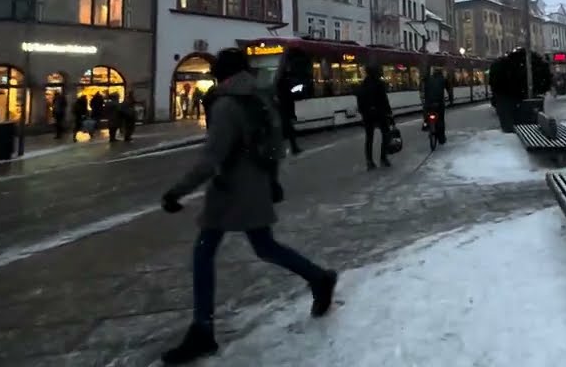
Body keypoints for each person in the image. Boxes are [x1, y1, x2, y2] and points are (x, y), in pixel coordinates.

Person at [160, 48, 337, 364]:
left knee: (204, 253)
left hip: (229, 191)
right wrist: (271, 180)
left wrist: (176, 192)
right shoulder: (262, 98)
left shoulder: (227, 104)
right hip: (255, 187)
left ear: (222, 74)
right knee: (265, 246)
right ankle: (318, 277)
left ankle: (203, 330)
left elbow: (210, 159)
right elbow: (275, 144)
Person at [355, 64, 393, 169]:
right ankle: (383, 158)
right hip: (380, 114)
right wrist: (389, 112)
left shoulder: (362, 84)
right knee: (385, 134)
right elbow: (384, 100)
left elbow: (359, 101)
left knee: (369, 138)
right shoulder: (379, 84)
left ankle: (369, 161)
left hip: (367, 115)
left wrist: (363, 112)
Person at [421, 66, 449, 145]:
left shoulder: (428, 79)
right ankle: (441, 139)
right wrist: (450, 100)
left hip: (428, 103)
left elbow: (423, 88)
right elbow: (448, 89)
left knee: (426, 113)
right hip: (439, 103)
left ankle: (426, 124)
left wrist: (423, 99)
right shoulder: (443, 79)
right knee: (440, 120)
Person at [276, 70, 302, 155]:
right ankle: (293, 148)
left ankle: (289, 149)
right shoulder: (287, 86)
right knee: (289, 131)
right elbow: (290, 100)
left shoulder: (279, 85)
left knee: (285, 131)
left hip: (281, 110)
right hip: (285, 111)